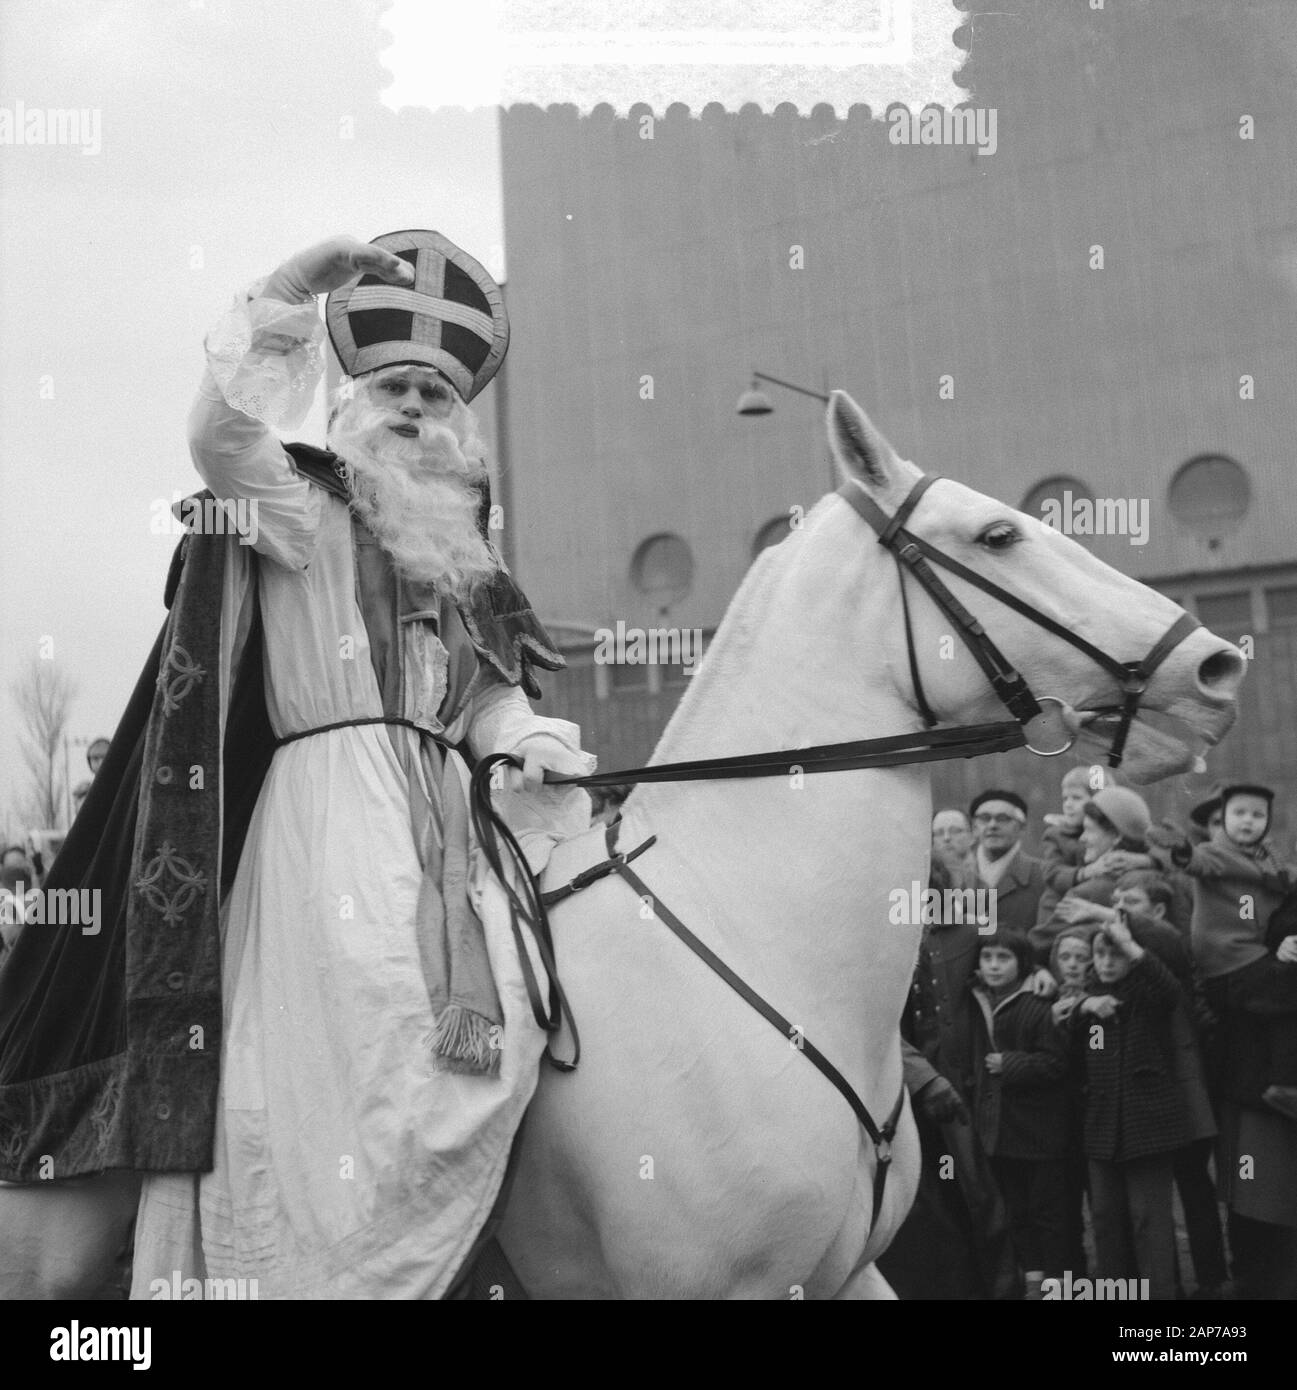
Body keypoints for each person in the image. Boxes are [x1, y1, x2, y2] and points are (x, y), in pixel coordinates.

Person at [0, 231, 596, 1300]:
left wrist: (526, 741)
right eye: (397, 386)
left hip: (448, 834)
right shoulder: (301, 507)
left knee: (513, 1007)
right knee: (352, 1056)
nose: (417, 407)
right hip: (323, 824)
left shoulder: (466, 565)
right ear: (353, 401)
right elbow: (218, 433)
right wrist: (283, 298)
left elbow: (490, 698)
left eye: (439, 395)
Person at [1151, 782, 1297, 1120]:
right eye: (1239, 814)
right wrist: (1182, 851)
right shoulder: (1217, 854)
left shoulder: (1269, 859)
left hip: (1255, 958)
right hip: (1230, 964)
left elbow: (1286, 880)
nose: (1247, 821)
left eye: (1257, 815)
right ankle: (1286, 1084)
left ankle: (1280, 1084)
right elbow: (1195, 862)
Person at [1075, 909, 1189, 1301]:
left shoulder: (1149, 995)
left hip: (1149, 1126)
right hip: (1102, 1127)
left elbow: (1170, 988)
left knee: (1149, 1221)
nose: (1106, 963)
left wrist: (1130, 944)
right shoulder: (1085, 999)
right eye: (1100, 954)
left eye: (1116, 955)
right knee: (1105, 1221)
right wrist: (1081, 1007)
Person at [968, 929, 1068, 1298]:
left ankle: (1059, 1282)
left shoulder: (1038, 1005)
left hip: (1040, 1133)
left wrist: (1011, 1064)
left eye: (1003, 958)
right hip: (999, 1132)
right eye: (987, 958)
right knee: (1016, 1211)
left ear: (1022, 964)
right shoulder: (976, 998)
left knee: (1049, 1214)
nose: (994, 966)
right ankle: (1034, 1279)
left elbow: (1057, 1063)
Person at [968, 790, 1045, 935]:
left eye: (1002, 818)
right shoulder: (954, 875)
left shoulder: (1042, 876)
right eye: (984, 818)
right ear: (974, 827)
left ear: (1022, 827)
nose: (992, 825)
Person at [931, 808, 976, 888]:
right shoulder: (925, 880)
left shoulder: (985, 881)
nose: (946, 838)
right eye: (939, 833)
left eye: (955, 831)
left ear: (972, 836)